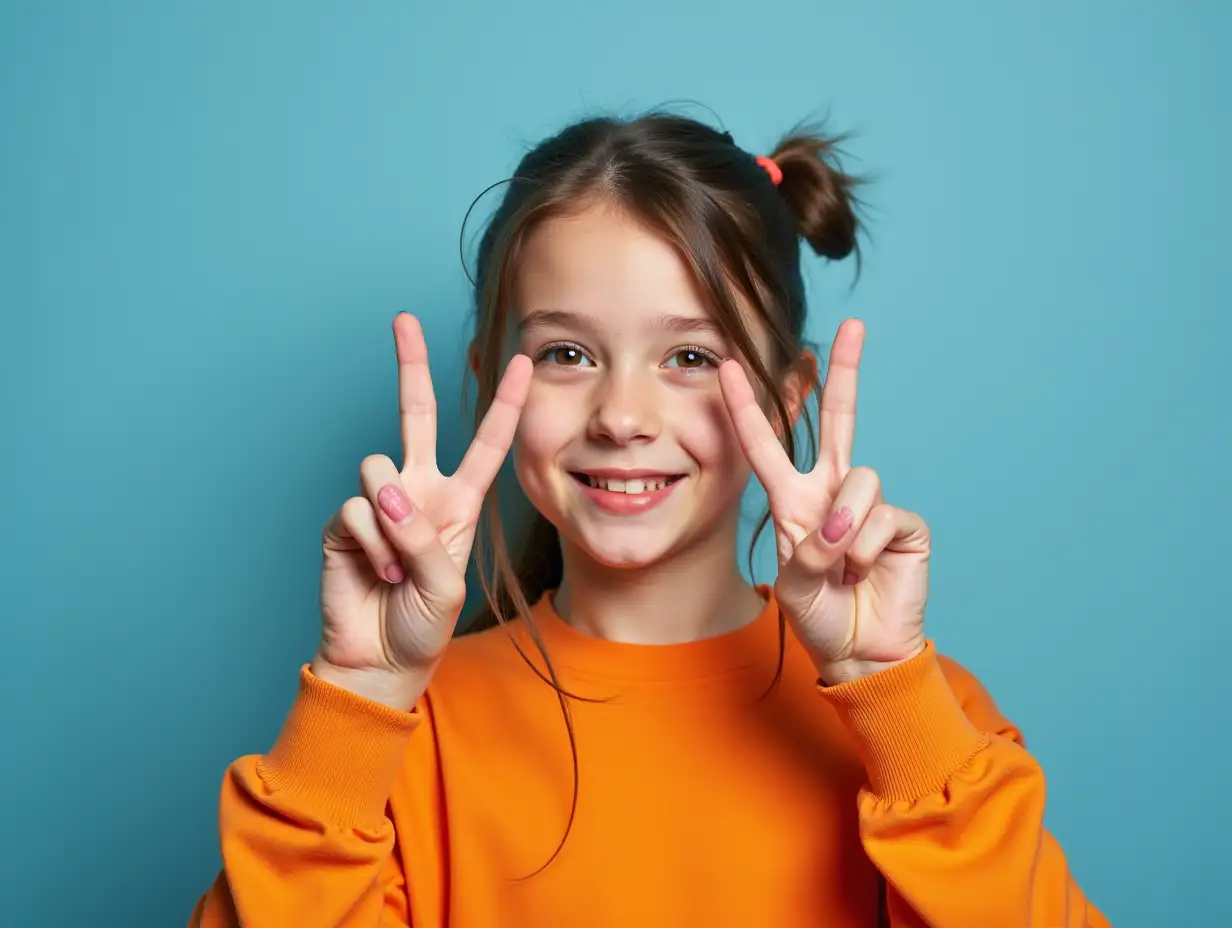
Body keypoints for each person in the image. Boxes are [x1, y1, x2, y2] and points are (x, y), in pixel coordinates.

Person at [189, 111, 1108, 927]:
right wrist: (360, 697)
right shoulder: (398, 732)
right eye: (566, 352)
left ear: (790, 401)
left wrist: (890, 690)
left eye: (690, 357)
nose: (622, 415)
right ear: (486, 381)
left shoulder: (920, 717)